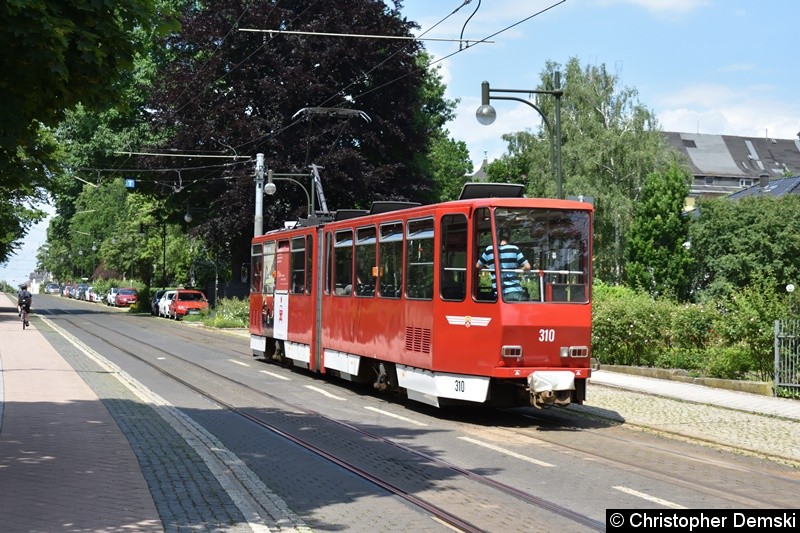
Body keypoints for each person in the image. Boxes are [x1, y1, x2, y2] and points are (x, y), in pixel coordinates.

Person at [476, 229, 531, 301]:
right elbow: (527, 266)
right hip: (515, 291)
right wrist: (519, 269)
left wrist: (489, 267)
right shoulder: (514, 249)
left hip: (498, 292)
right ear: (509, 237)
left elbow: (478, 266)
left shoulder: (489, 249)